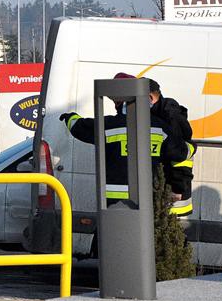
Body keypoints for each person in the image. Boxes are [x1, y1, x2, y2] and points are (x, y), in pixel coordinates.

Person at [60, 74, 186, 205]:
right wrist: (191, 145)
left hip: (114, 203)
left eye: (116, 101)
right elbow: (181, 153)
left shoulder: (109, 125)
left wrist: (70, 117)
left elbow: (79, 127)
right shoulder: (162, 128)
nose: (115, 104)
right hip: (148, 200)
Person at [148, 79, 196, 216]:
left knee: (167, 232)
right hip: (166, 187)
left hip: (173, 192)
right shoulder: (161, 114)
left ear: (150, 98)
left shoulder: (169, 117)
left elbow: (180, 156)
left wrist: (177, 188)